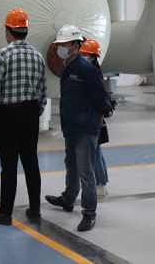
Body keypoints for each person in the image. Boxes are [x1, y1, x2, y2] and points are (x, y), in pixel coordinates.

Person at [45, 25, 113, 232]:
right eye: (59, 44)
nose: (60, 48)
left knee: (85, 171)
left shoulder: (86, 69)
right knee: (71, 166)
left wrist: (99, 118)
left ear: (76, 46)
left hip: (85, 129)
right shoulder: (67, 67)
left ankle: (89, 213)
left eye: (64, 44)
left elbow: (102, 100)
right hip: (71, 127)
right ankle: (68, 199)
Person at [0, 9, 47, 226]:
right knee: (31, 163)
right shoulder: (37, 56)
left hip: (9, 115)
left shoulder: (2, 55)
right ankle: (35, 209)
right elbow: (43, 92)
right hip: (31, 114)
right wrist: (35, 111)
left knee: (8, 166)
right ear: (26, 31)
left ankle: (4, 214)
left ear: (8, 31)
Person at [80, 39, 115, 198]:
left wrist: (100, 120)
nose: (82, 57)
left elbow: (101, 101)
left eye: (85, 54)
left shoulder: (92, 74)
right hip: (93, 118)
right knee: (96, 153)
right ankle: (102, 183)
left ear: (93, 57)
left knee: (95, 153)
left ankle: (100, 184)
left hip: (94, 119)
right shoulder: (92, 71)